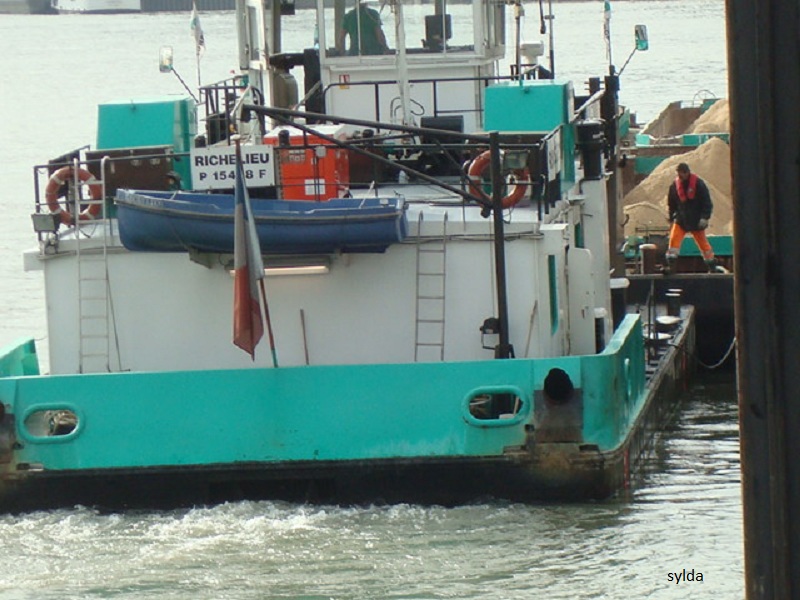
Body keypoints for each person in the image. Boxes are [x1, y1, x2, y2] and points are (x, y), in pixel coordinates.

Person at [663, 162, 721, 274]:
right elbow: (671, 204)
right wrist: (671, 217)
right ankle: (671, 267)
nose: (680, 176)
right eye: (679, 174)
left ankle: (712, 266)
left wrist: (704, 218)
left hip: (696, 221)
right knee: (673, 242)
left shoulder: (699, 184)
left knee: (704, 245)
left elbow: (707, 202)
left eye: (682, 173)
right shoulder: (674, 187)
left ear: (687, 173)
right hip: (681, 220)